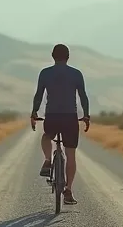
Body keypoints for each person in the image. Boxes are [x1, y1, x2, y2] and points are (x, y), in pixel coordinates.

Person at [30, 43, 90, 205]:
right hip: (70, 117)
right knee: (70, 154)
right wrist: (86, 115)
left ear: (53, 56)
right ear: (68, 57)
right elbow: (83, 97)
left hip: (52, 115)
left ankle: (48, 161)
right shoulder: (76, 74)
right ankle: (68, 190)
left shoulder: (45, 73)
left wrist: (34, 113)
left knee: (46, 136)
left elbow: (38, 95)